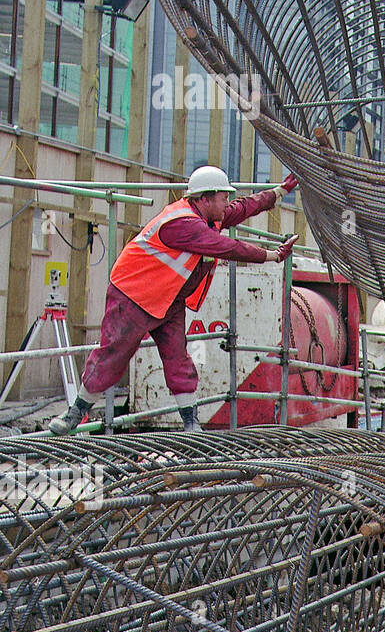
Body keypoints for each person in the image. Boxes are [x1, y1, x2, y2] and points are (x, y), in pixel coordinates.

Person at [47, 165, 299, 435]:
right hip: (134, 296)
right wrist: (271, 256)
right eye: (222, 197)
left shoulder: (206, 216)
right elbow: (226, 247)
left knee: (178, 360)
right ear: (204, 199)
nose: (227, 202)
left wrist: (279, 191)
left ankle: (191, 423)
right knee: (113, 355)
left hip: (168, 299)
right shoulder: (182, 224)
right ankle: (74, 413)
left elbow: (242, 207)